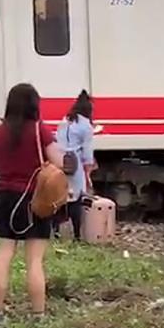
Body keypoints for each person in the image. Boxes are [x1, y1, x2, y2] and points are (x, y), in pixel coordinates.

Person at [0, 83, 65, 325]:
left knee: (4, 255)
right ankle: (38, 316)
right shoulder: (40, 131)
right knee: (34, 261)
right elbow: (59, 162)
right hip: (35, 200)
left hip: (6, 198)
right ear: (34, 104)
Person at [54, 91, 95, 240]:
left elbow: (57, 140)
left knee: (59, 197)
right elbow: (87, 152)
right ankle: (77, 234)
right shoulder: (86, 126)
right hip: (75, 163)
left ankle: (56, 231)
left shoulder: (65, 121)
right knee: (76, 199)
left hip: (59, 160)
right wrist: (88, 168)